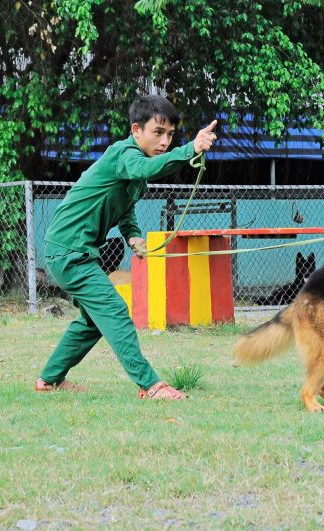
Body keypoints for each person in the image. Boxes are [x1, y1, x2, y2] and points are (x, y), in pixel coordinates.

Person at [35, 94, 217, 400]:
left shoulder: (135, 171)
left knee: (93, 320)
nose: (165, 141)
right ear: (136, 130)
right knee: (114, 309)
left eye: (171, 135)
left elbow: (126, 207)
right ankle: (150, 385)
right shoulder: (124, 154)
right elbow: (147, 170)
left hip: (75, 251)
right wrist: (191, 149)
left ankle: (48, 381)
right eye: (158, 133)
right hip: (67, 251)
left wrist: (132, 235)